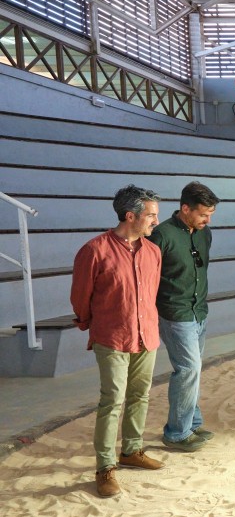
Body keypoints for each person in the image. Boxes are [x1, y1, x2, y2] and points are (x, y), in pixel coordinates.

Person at [70, 185, 165, 497]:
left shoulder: (153, 252)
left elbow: (151, 293)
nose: (156, 221)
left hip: (146, 335)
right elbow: (80, 296)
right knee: (112, 400)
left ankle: (132, 451)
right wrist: (90, 323)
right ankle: (105, 468)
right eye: (151, 215)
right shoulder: (94, 250)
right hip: (112, 336)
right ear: (130, 216)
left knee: (140, 395)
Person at [149, 182, 219, 453]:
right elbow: (148, 277)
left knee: (194, 369)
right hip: (175, 313)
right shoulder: (161, 235)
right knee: (188, 370)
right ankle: (177, 433)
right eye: (203, 214)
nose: (207, 220)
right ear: (185, 208)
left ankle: (192, 423)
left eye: (210, 214)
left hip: (199, 311)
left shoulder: (205, 233)